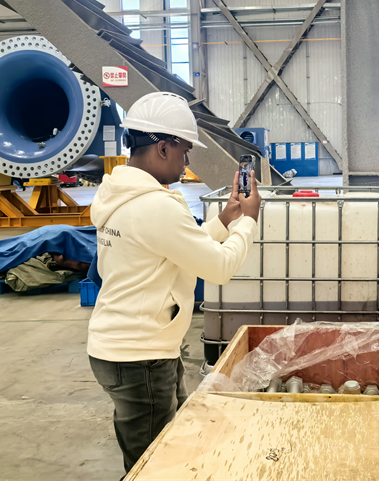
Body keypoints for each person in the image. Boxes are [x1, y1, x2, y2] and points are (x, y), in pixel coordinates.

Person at [87, 92, 261, 475]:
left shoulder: (119, 193)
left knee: (165, 443)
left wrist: (225, 221)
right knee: (150, 465)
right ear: (163, 148)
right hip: (139, 355)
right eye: (185, 150)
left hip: (124, 346)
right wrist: (249, 221)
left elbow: (172, 248)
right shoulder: (156, 206)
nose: (188, 161)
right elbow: (218, 268)